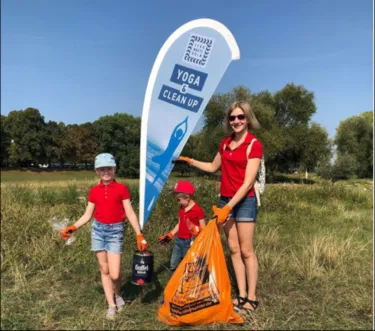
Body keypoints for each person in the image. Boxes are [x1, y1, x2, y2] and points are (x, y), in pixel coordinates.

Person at [178, 100, 263, 313]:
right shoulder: (225, 143)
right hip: (225, 201)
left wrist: (229, 206)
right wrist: (190, 161)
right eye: (232, 117)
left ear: (248, 119)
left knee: (246, 250)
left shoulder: (254, 144)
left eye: (240, 117)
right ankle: (241, 295)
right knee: (233, 249)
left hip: (244, 202)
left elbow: (248, 182)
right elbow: (213, 166)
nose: (236, 121)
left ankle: (252, 297)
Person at [60, 153, 148, 320]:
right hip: (98, 231)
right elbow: (87, 215)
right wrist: (72, 227)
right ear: (97, 171)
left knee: (115, 274)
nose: (105, 172)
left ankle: (118, 294)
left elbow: (129, 212)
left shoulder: (122, 189)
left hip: (116, 231)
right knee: (105, 269)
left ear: (114, 169)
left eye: (109, 168)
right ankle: (111, 305)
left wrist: (139, 234)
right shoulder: (94, 191)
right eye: (102, 169)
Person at [158, 180, 205, 273]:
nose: (178, 202)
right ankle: (173, 285)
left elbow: (204, 227)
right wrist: (169, 236)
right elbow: (179, 224)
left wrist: (198, 230)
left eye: (179, 200)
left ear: (187, 197)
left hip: (190, 242)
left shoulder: (198, 210)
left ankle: (186, 284)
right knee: (173, 264)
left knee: (188, 265)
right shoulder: (182, 209)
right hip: (178, 241)